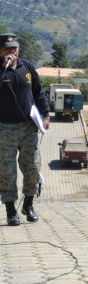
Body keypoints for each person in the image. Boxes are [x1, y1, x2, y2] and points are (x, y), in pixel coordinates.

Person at [0, 33, 49, 226]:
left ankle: (28, 205)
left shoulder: (27, 67)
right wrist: (5, 70)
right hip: (5, 128)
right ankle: (11, 211)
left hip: (29, 127)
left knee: (32, 167)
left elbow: (39, 91)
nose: (11, 51)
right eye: (6, 48)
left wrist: (45, 115)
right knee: (6, 170)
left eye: (14, 48)